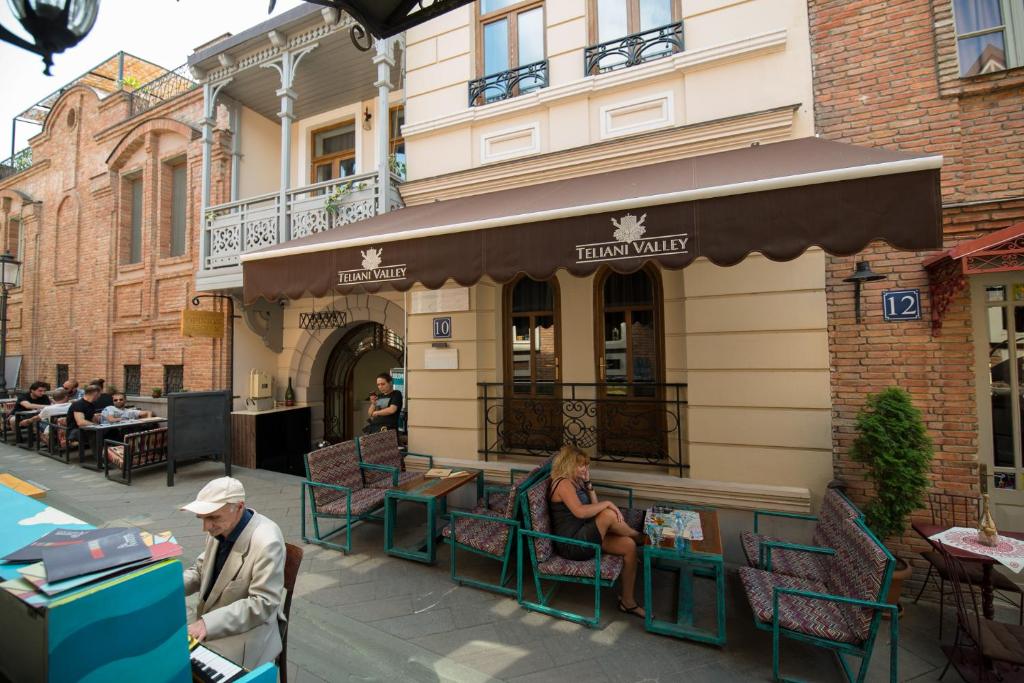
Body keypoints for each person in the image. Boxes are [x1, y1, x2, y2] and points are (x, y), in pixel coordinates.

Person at [181, 477, 286, 670]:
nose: (206, 527)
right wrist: (169, 587)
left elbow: (263, 603)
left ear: (239, 507)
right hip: (214, 618)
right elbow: (200, 570)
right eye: (202, 518)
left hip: (249, 633)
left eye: (213, 517)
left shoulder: (267, 541)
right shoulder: (221, 528)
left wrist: (207, 623)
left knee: (187, 668)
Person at [547, 445, 645, 618]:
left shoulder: (575, 481)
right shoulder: (563, 484)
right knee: (607, 514)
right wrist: (608, 503)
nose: (585, 468)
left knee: (628, 546)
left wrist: (588, 484)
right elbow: (580, 511)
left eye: (586, 465)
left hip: (584, 532)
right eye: (581, 465)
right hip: (572, 544)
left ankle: (627, 602)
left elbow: (593, 506)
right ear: (569, 464)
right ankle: (641, 538)